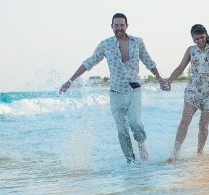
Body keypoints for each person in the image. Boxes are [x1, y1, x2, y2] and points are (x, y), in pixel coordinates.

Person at [59, 13, 165, 164]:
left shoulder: (137, 42)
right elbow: (89, 63)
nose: (119, 28)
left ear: (127, 26)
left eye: (122, 25)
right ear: (112, 26)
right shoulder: (105, 44)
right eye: (116, 25)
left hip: (134, 90)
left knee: (135, 122)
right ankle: (131, 162)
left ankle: (141, 144)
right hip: (115, 93)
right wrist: (70, 80)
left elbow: (148, 61)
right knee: (122, 131)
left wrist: (160, 79)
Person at [164, 24, 209, 162]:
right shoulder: (191, 50)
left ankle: (200, 152)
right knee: (185, 121)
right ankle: (175, 153)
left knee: (203, 125)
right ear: (192, 39)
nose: (199, 41)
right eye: (196, 39)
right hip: (193, 89)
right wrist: (169, 81)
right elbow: (181, 67)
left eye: (201, 38)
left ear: (206, 35)